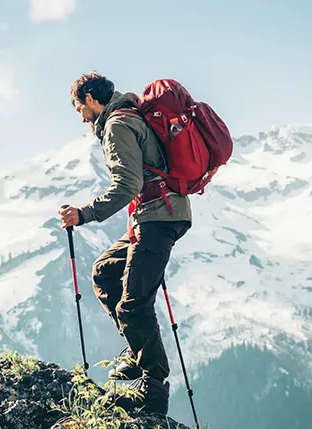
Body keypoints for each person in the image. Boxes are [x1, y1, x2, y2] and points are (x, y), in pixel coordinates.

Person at [58, 71, 192, 415]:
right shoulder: (129, 115)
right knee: (105, 272)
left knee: (134, 306)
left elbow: (128, 184)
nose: (79, 116)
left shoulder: (117, 125)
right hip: (157, 215)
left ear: (90, 98)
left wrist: (83, 214)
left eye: (78, 107)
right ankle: (137, 351)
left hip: (157, 217)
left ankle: (154, 395)